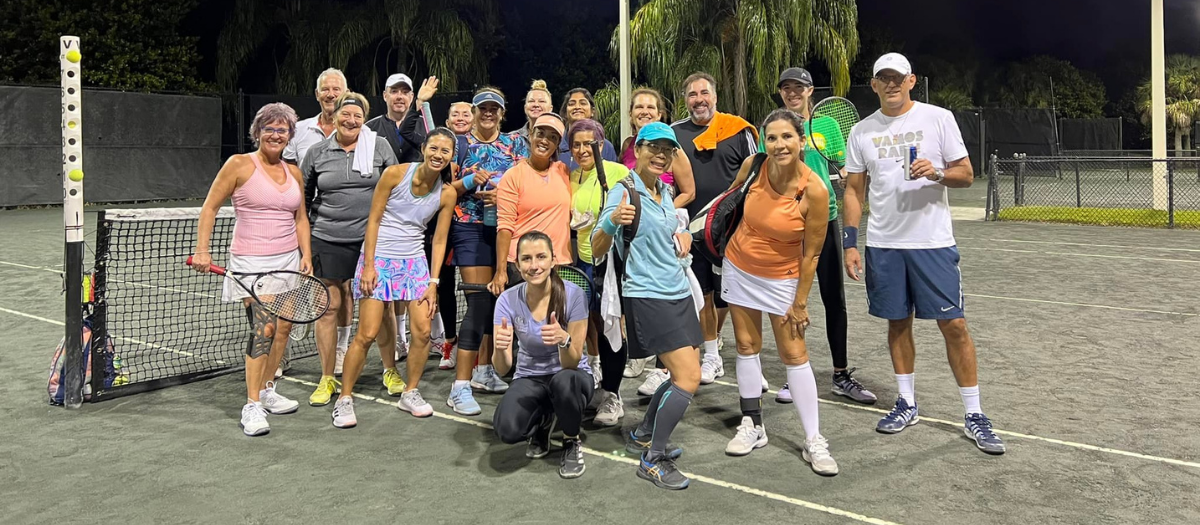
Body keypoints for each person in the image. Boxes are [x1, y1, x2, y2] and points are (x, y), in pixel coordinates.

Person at [843, 53, 1004, 455]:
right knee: (897, 324)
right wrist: (849, 242)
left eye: (898, 77)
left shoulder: (938, 118)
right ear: (875, 84)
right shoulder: (862, 131)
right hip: (884, 245)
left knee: (954, 325)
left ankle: (974, 413)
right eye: (884, 78)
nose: (892, 84)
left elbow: (966, 174)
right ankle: (906, 402)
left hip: (932, 244)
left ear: (911, 80)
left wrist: (936, 172)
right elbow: (853, 191)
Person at [721, 109, 838, 476]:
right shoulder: (754, 166)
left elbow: (812, 252)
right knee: (745, 346)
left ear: (802, 141)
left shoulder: (814, 190)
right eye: (772, 138)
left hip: (783, 279)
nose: (779, 144)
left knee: (794, 353)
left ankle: (814, 439)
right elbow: (730, 204)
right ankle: (753, 424)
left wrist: (800, 302)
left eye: (787, 137)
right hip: (739, 267)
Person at [593, 122, 702, 490]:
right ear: (637, 149)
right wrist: (610, 221)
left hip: (677, 290)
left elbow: (668, 230)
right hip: (647, 295)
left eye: (667, 150)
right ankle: (653, 459)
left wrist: (682, 234)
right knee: (689, 378)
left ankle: (643, 433)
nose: (660, 155)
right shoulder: (624, 191)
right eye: (652, 147)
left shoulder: (665, 191)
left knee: (678, 375)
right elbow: (595, 247)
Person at [191, 103, 307, 436]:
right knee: (264, 329)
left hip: (287, 259)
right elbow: (210, 207)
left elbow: (300, 218)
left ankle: (269, 390)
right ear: (258, 132)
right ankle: (252, 404)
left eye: (282, 129)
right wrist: (202, 249)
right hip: (251, 262)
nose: (275, 134)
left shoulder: (293, 171)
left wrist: (306, 255)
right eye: (269, 128)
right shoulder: (239, 164)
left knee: (283, 329)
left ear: (289, 136)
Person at [330, 128, 459, 428]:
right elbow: (373, 219)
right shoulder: (394, 174)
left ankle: (410, 392)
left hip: (414, 264)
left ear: (452, 156)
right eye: (434, 148)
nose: (439, 155)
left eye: (446, 151)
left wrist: (433, 283)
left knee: (424, 332)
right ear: (424, 148)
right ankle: (344, 399)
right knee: (367, 333)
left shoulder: (447, 192)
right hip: (379, 260)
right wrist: (369, 266)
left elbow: (439, 241)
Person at [768, 67, 877, 406]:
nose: (792, 93)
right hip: (787, 224)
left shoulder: (828, 125)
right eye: (786, 88)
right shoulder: (773, 127)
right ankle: (794, 373)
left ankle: (841, 375)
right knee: (790, 302)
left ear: (810, 90)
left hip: (825, 219)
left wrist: (845, 174)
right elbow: (767, 168)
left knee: (834, 300)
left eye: (798, 87)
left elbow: (844, 165)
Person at [300, 92, 401, 407]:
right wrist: (304, 243)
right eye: (346, 114)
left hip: (372, 241)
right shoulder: (317, 152)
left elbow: (396, 187)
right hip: (327, 238)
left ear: (364, 119)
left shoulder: (379, 147)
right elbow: (303, 197)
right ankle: (327, 377)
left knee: (381, 307)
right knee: (328, 308)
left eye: (358, 115)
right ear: (335, 116)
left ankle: (390, 370)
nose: (351, 120)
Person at [670, 72, 758, 387]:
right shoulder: (673, 133)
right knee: (705, 294)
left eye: (704, 92)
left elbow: (757, 176)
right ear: (685, 100)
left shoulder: (738, 130)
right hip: (692, 231)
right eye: (692, 94)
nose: (699, 99)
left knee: (741, 296)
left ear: (715, 96)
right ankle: (712, 356)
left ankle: (752, 361)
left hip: (735, 230)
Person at [447, 87, 529, 414]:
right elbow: (447, 189)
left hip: (506, 227)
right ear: (475, 111)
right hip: (469, 227)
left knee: (501, 304)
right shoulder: (460, 143)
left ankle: (485, 369)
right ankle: (460, 386)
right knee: (479, 302)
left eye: (494, 108)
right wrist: (469, 183)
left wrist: (503, 197)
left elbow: (524, 184)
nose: (488, 113)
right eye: (483, 108)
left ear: (502, 112)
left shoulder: (515, 144)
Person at [491, 232, 592, 479]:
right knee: (507, 430)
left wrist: (563, 340)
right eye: (526, 259)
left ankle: (571, 441)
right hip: (530, 377)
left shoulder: (574, 295)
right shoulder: (506, 300)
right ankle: (544, 420)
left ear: (553, 260)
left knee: (563, 380)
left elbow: (573, 360)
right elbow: (503, 369)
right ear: (517, 265)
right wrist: (500, 348)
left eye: (540, 257)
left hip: (571, 376)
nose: (534, 265)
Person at [618, 87, 696, 382]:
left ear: (660, 113)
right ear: (631, 114)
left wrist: (658, 209)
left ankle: (664, 369)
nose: (645, 111)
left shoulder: (672, 148)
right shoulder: (628, 145)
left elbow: (689, 192)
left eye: (651, 107)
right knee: (637, 289)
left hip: (665, 223)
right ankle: (642, 354)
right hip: (636, 227)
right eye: (639, 107)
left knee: (668, 292)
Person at [283, 68, 352, 378]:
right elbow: (284, 171)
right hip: (298, 221)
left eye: (336, 89)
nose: (331, 94)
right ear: (317, 94)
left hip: (340, 226)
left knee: (343, 288)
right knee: (288, 283)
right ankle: (277, 352)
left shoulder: (357, 131)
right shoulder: (298, 130)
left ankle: (341, 351)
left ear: (345, 94)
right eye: (326, 89)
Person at [567, 118, 632, 426]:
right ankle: (602, 386)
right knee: (593, 323)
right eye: (576, 144)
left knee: (612, 328)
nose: (582, 150)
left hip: (611, 263)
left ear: (602, 144)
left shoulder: (617, 172)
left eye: (588, 144)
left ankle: (613, 395)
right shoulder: (572, 176)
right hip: (582, 262)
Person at [489, 113, 573, 295]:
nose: (545, 140)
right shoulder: (513, 175)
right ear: (531, 136)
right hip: (523, 265)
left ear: (558, 144)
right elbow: (504, 227)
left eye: (552, 137)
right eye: (540, 134)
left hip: (558, 263)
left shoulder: (564, 171)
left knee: (555, 321)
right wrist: (501, 270)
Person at [366, 74, 436, 164]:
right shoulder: (370, 128)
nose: (399, 96)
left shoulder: (425, 124)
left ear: (411, 97)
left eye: (405, 92)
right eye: (394, 91)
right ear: (385, 96)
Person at [557, 88, 618, 171]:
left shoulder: (606, 146)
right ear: (565, 112)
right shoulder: (556, 146)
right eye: (571, 104)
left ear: (592, 111)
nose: (577, 107)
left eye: (583, 103)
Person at [516, 80, 553, 145]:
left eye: (541, 101)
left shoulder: (559, 139)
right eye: (531, 101)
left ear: (550, 109)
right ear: (525, 108)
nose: (536, 105)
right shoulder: (511, 139)